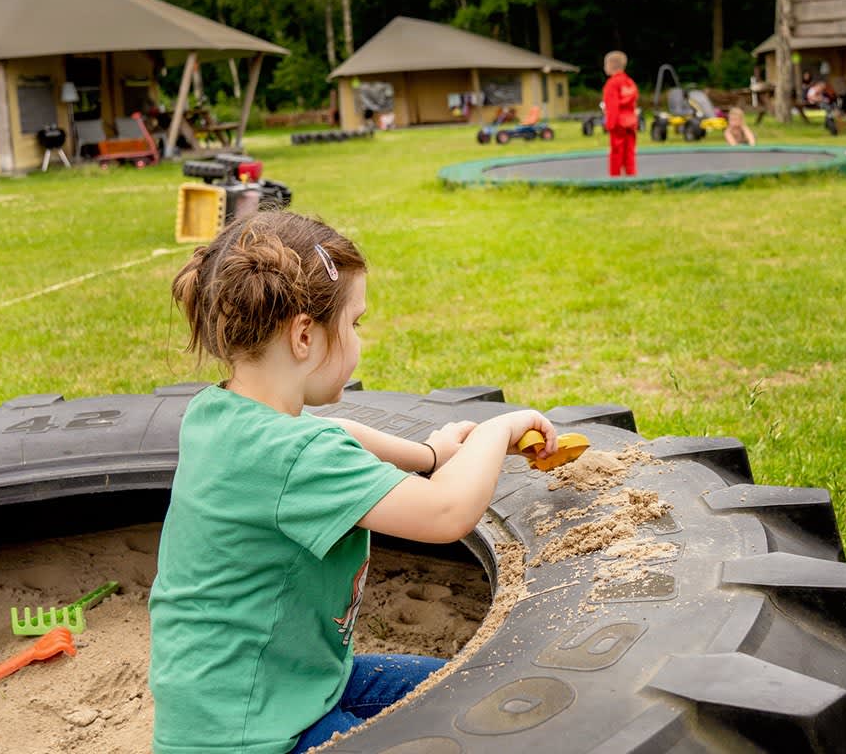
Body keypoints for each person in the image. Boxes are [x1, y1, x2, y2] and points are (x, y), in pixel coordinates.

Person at [149, 211, 559, 754]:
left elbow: (333, 431)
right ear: (303, 335)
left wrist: (430, 452)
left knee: (464, 685)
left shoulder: (222, 413)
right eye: (356, 323)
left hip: (276, 689)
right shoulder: (296, 458)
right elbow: (445, 514)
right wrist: (498, 429)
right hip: (254, 737)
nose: (360, 339)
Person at [601, 50, 639, 177]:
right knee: (629, 152)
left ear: (610, 65)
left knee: (616, 153)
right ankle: (631, 175)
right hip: (630, 122)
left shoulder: (611, 84)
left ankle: (615, 178)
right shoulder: (629, 82)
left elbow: (612, 107)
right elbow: (633, 102)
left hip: (618, 123)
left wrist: (609, 124)